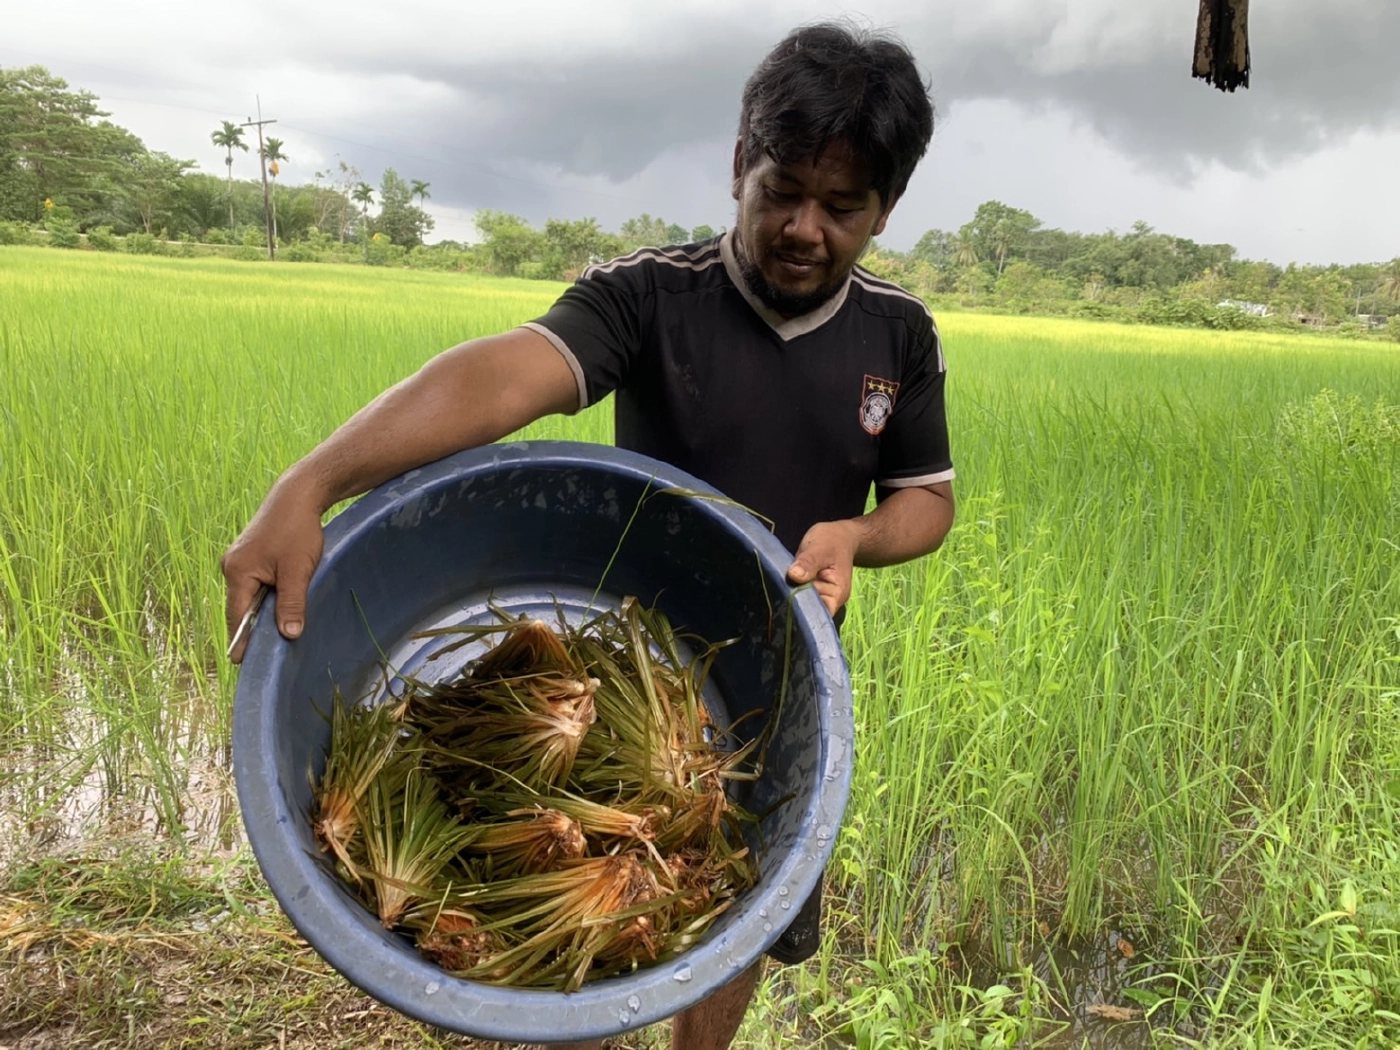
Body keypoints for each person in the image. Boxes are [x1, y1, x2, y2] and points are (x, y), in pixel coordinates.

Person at [222, 21, 954, 1050]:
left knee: (733, 906)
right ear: (738, 163)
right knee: (585, 894)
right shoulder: (653, 294)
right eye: (779, 190)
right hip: (628, 661)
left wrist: (854, 535)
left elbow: (926, 501)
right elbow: (501, 375)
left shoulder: (898, 334)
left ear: (885, 208)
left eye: (841, 208)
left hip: (786, 679)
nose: (802, 227)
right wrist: (309, 484)